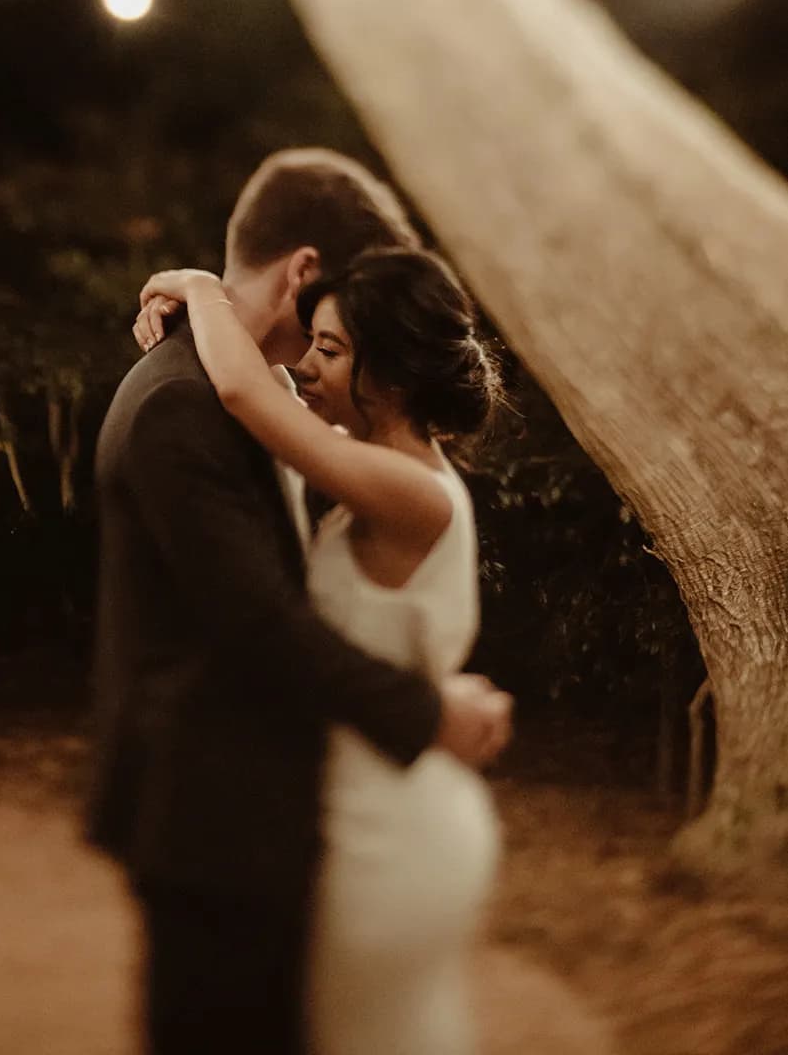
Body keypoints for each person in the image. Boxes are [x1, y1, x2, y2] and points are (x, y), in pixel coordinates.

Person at [89, 149, 512, 1055]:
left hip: (305, 828)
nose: (316, 361)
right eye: (320, 331)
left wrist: (201, 289)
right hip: (215, 824)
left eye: (340, 344)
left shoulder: (242, 399)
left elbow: (273, 608)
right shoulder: (183, 404)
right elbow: (259, 627)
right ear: (304, 272)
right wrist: (425, 710)